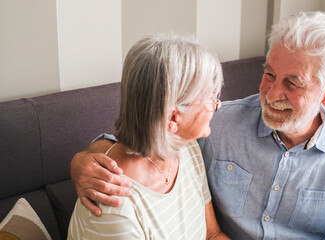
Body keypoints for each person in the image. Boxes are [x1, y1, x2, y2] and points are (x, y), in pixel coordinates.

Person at [70, 12, 325, 239]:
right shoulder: (214, 126)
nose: (271, 95)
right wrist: (84, 160)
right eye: (269, 74)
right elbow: (146, 137)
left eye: (293, 83)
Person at [68, 34, 230, 239]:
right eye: (211, 96)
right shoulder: (114, 205)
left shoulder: (187, 148)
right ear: (173, 117)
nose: (218, 104)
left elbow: (212, 234)